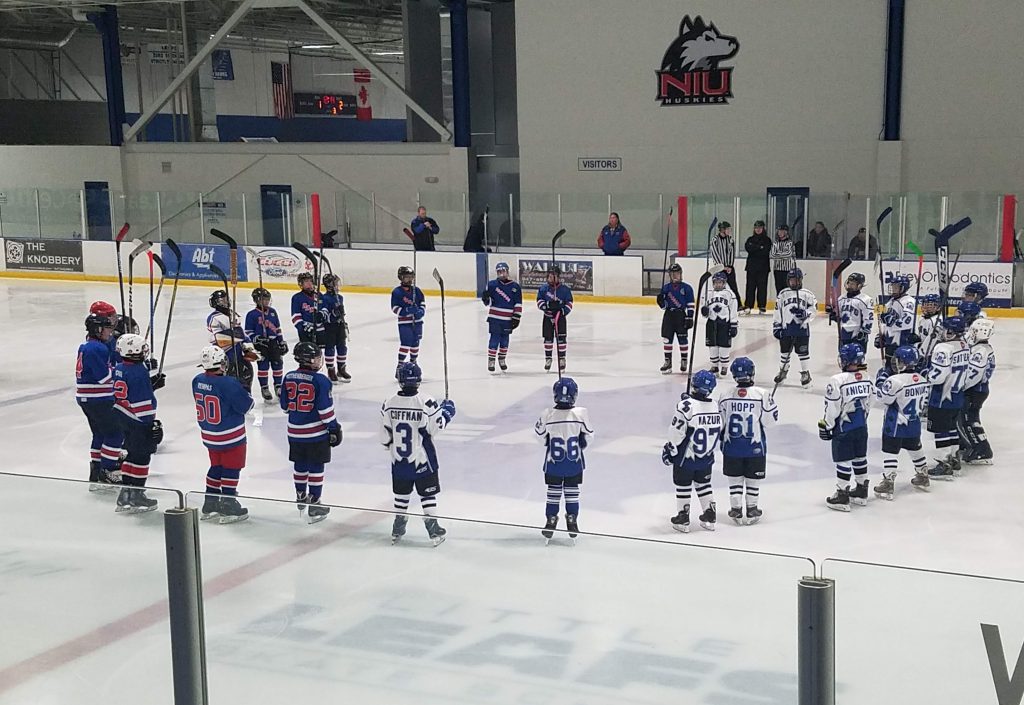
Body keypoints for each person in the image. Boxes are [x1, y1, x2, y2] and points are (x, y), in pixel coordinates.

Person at [380, 361, 456, 546]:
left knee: (401, 494)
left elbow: (384, 437)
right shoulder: (426, 402)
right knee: (427, 494)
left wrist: (390, 447)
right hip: (423, 459)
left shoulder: (388, 403)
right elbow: (436, 427)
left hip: (398, 460)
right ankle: (432, 526)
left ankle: (398, 524)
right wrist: (447, 412)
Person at [280, 342, 342, 524]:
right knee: (316, 466)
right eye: (316, 357)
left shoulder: (288, 376)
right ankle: (314, 502)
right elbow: (325, 411)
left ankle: (300, 496)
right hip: (315, 434)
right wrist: (334, 427)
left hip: (294, 433)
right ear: (309, 359)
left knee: (300, 464)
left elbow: (284, 406)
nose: (319, 360)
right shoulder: (321, 380)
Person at [192, 345, 254, 524]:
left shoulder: (197, 380)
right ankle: (228, 503)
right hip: (231, 436)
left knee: (216, 467)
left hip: (209, 435)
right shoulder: (229, 384)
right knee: (232, 468)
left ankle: (210, 503)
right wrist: (244, 388)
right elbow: (247, 406)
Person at [719, 357, 778, 525]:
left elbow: (720, 422)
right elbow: (769, 422)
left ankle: (736, 509)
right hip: (755, 447)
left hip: (731, 447)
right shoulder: (762, 394)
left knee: (735, 479)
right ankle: (752, 508)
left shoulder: (726, 395)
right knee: (753, 480)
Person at [534, 377, 593, 544]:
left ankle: (551, 518)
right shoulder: (581, 414)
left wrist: (547, 441)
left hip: (553, 463)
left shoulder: (547, 414)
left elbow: (539, 434)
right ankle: (572, 517)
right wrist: (582, 443)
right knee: (572, 491)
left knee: (553, 492)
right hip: (574, 463)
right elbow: (590, 435)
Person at [111, 333, 165, 514]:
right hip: (138, 420)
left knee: (131, 455)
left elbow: (130, 390)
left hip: (122, 417)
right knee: (142, 458)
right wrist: (152, 424)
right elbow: (142, 402)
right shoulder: (140, 371)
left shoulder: (118, 367)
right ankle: (137, 495)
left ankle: (126, 494)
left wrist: (152, 385)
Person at [662, 370, 721, 533]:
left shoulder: (685, 407)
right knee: (704, 484)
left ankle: (683, 516)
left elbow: (676, 432)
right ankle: (710, 515)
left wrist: (670, 449)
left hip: (686, 457)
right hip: (707, 456)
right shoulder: (716, 406)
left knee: (683, 485)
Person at [819, 343, 874, 511]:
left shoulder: (837, 380)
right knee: (859, 457)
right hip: (861, 426)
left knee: (843, 459)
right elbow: (870, 403)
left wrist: (827, 425)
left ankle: (842, 494)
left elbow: (833, 406)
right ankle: (861, 490)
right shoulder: (867, 377)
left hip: (844, 428)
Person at [873, 346, 930, 499]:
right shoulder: (923, 380)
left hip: (896, 424)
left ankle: (888, 481)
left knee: (890, 450)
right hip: (914, 423)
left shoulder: (894, 380)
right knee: (915, 447)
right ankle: (923, 474)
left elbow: (884, 398)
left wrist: (880, 381)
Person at [76, 312, 124, 490]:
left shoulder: (87, 346)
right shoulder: (97, 348)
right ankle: (108, 471)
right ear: (97, 329)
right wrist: (121, 370)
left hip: (87, 398)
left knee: (100, 434)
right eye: (106, 328)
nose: (109, 332)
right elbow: (105, 378)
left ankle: (96, 470)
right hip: (99, 399)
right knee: (115, 434)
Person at [925, 316, 970, 481]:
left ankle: (944, 463)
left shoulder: (943, 348)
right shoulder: (965, 346)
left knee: (941, 429)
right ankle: (954, 458)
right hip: (957, 395)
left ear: (951, 331)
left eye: (945, 329)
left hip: (942, 396)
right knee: (951, 428)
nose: (942, 332)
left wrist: (925, 374)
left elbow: (937, 377)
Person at [208, 289, 258, 394]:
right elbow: (219, 339)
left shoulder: (233, 314)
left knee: (246, 379)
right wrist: (235, 334)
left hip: (239, 354)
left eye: (226, 299)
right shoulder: (214, 318)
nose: (226, 302)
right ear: (215, 302)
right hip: (225, 355)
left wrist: (248, 348)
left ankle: (246, 401)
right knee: (229, 385)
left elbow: (242, 334)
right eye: (222, 300)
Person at [773, 268, 817, 387]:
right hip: (786, 329)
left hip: (802, 329)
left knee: (803, 353)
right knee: (784, 352)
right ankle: (783, 371)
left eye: (796, 280)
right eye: (792, 280)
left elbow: (813, 310)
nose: (794, 283)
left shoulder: (808, 294)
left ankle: (805, 372)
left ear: (801, 280)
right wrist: (777, 326)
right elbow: (778, 311)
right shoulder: (782, 294)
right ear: (788, 281)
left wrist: (804, 314)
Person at [961, 317, 995, 464]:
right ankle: (969, 443)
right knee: (969, 418)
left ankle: (982, 449)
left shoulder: (980, 351)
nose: (971, 333)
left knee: (968, 419)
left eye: (974, 331)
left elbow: (973, 375)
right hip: (979, 389)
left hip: (974, 390)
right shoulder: (984, 348)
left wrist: (961, 387)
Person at [245, 287, 288, 402]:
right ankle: (264, 387)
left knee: (277, 364)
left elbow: (278, 328)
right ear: (257, 300)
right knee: (263, 366)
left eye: (267, 299)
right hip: (261, 345)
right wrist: (257, 339)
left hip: (273, 343)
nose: (266, 302)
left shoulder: (273, 312)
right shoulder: (251, 315)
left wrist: (281, 341)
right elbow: (248, 332)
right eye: (263, 299)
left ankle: (278, 385)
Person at [481, 261, 523, 372]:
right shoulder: (492, 285)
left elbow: (518, 303)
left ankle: (502, 359)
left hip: (507, 319)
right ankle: (491, 360)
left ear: (507, 271)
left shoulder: (515, 287)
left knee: (504, 341)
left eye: (503, 271)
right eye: (499, 272)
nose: (501, 274)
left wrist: (516, 317)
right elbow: (489, 303)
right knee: (494, 340)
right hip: (494, 318)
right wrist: (485, 298)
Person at [657, 263, 695, 374]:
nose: (675, 276)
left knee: (682, 339)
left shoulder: (687, 288)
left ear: (681, 274)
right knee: (667, 339)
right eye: (673, 273)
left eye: (677, 273)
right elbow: (664, 306)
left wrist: (689, 317)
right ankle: (668, 361)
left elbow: (690, 303)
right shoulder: (666, 288)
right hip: (669, 315)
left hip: (681, 315)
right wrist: (660, 302)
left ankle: (684, 359)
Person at [702, 270, 739, 376]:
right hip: (711, 322)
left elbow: (733, 310)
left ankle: (724, 366)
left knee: (724, 346)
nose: (718, 284)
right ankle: (714, 365)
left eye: (720, 282)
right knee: (712, 345)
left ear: (724, 283)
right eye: (716, 282)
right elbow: (704, 309)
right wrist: (704, 312)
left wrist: (733, 324)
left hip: (724, 323)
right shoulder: (708, 294)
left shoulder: (730, 294)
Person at [536, 266, 573, 373]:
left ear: (558, 277)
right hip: (547, 318)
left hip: (560, 318)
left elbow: (569, 303)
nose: (551, 278)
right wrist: (546, 305)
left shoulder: (564, 290)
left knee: (561, 339)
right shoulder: (543, 289)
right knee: (548, 338)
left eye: (554, 276)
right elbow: (539, 300)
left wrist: (562, 311)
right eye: (550, 275)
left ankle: (562, 359)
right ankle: (548, 359)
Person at [390, 266, 426, 378]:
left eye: (411, 277)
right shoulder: (397, 292)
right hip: (404, 323)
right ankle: (400, 366)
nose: (409, 280)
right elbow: (394, 308)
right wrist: (407, 311)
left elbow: (422, 303)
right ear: (401, 278)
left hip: (418, 322)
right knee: (406, 343)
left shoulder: (417, 291)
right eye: (406, 277)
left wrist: (421, 311)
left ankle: (413, 363)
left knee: (415, 343)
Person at [828, 272, 873, 352]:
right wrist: (834, 316)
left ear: (859, 286)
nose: (849, 285)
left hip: (858, 334)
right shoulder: (841, 298)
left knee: (857, 358)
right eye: (849, 283)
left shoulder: (865, 299)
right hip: (844, 333)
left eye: (853, 284)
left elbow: (868, 318)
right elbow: (840, 315)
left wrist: (864, 331)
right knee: (844, 357)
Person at [876, 275, 916, 364]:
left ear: (903, 288)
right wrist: (880, 335)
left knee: (900, 367)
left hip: (902, 341)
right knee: (889, 366)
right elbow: (884, 322)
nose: (893, 289)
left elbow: (907, 322)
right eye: (892, 287)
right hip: (890, 341)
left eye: (896, 287)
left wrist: (892, 322)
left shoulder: (909, 301)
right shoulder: (890, 302)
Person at [319, 273, 351, 383]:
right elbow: (324, 313)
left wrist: (341, 315)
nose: (338, 286)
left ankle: (341, 369)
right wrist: (334, 311)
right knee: (330, 348)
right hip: (330, 327)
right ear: (330, 285)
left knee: (342, 347)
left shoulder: (340, 297)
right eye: (336, 284)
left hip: (340, 325)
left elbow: (341, 313)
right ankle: (331, 370)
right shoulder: (324, 298)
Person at [710, 221, 743, 306]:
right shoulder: (715, 240)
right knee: (719, 287)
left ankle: (738, 305)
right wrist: (722, 267)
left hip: (729, 268)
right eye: (727, 229)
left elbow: (731, 254)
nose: (729, 230)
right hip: (719, 268)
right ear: (722, 230)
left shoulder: (730, 239)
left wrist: (730, 266)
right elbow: (715, 254)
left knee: (734, 287)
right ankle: (717, 303)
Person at [743, 220, 771, 314]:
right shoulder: (750, 239)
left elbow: (765, 251)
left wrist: (755, 248)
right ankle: (748, 305)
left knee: (762, 287)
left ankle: (762, 306)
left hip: (763, 268)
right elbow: (748, 248)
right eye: (756, 228)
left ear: (763, 229)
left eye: (760, 228)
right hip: (751, 267)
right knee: (750, 287)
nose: (758, 229)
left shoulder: (767, 240)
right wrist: (759, 247)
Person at [290, 272, 322, 345]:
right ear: (301, 284)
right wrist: (302, 328)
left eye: (310, 281)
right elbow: (295, 316)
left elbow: (324, 311)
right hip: (305, 331)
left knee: (319, 352)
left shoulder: (319, 296)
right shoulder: (297, 298)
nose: (309, 283)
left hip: (319, 330)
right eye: (306, 281)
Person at [770, 224, 797, 294]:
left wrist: (778, 254)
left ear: (786, 232)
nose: (780, 233)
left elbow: (788, 255)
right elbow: (772, 255)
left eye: (782, 231)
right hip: (777, 269)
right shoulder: (775, 243)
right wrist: (783, 254)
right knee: (778, 289)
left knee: (787, 289)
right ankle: (779, 304)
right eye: (779, 231)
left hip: (787, 270)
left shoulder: (790, 243)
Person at [917, 293, 943, 359]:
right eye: (926, 305)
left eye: (931, 306)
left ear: (938, 308)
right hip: (925, 349)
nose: (928, 308)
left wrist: (921, 354)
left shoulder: (936, 321)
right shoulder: (922, 318)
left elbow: (932, 341)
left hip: (933, 353)